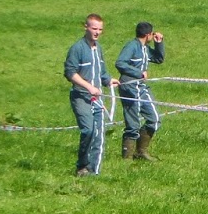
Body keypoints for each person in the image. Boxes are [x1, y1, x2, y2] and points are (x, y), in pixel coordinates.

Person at [64, 13, 118, 176]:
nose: (97, 32)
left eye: (100, 29)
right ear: (85, 27)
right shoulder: (77, 48)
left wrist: (108, 80)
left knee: (99, 134)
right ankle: (82, 165)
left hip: (97, 99)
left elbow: (101, 71)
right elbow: (70, 73)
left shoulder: (98, 48)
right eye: (94, 28)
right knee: (88, 130)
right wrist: (89, 87)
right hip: (81, 97)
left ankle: (95, 171)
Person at [116, 21, 165, 161]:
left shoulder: (145, 48)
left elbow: (158, 58)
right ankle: (127, 158)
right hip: (129, 86)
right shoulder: (131, 46)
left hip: (142, 87)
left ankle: (141, 151)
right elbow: (120, 63)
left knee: (154, 119)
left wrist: (159, 43)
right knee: (133, 124)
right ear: (148, 34)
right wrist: (138, 72)